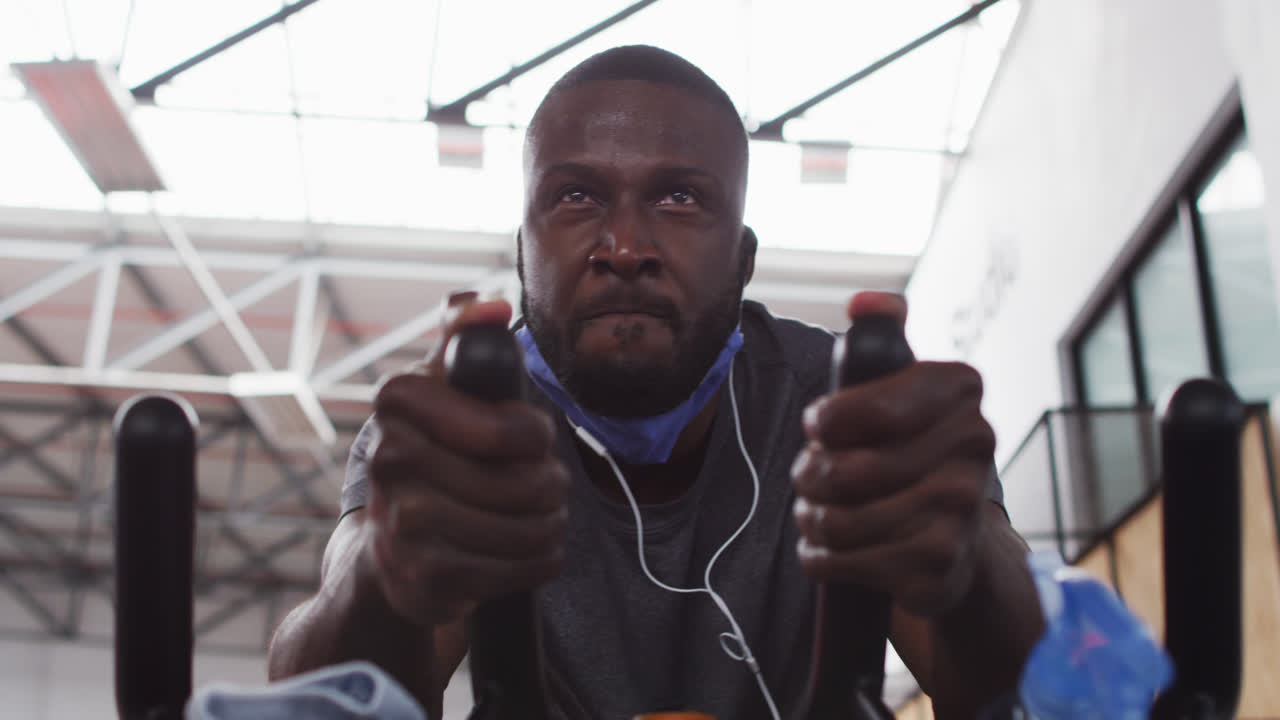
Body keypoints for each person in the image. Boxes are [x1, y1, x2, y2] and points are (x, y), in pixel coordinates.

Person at [266, 45, 1044, 720]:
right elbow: (311, 699)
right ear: (521, 253)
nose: (626, 244)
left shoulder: (847, 405)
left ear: (743, 261)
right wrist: (380, 578)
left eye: (680, 198)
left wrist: (970, 557)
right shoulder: (452, 426)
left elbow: (1027, 688)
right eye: (577, 196)